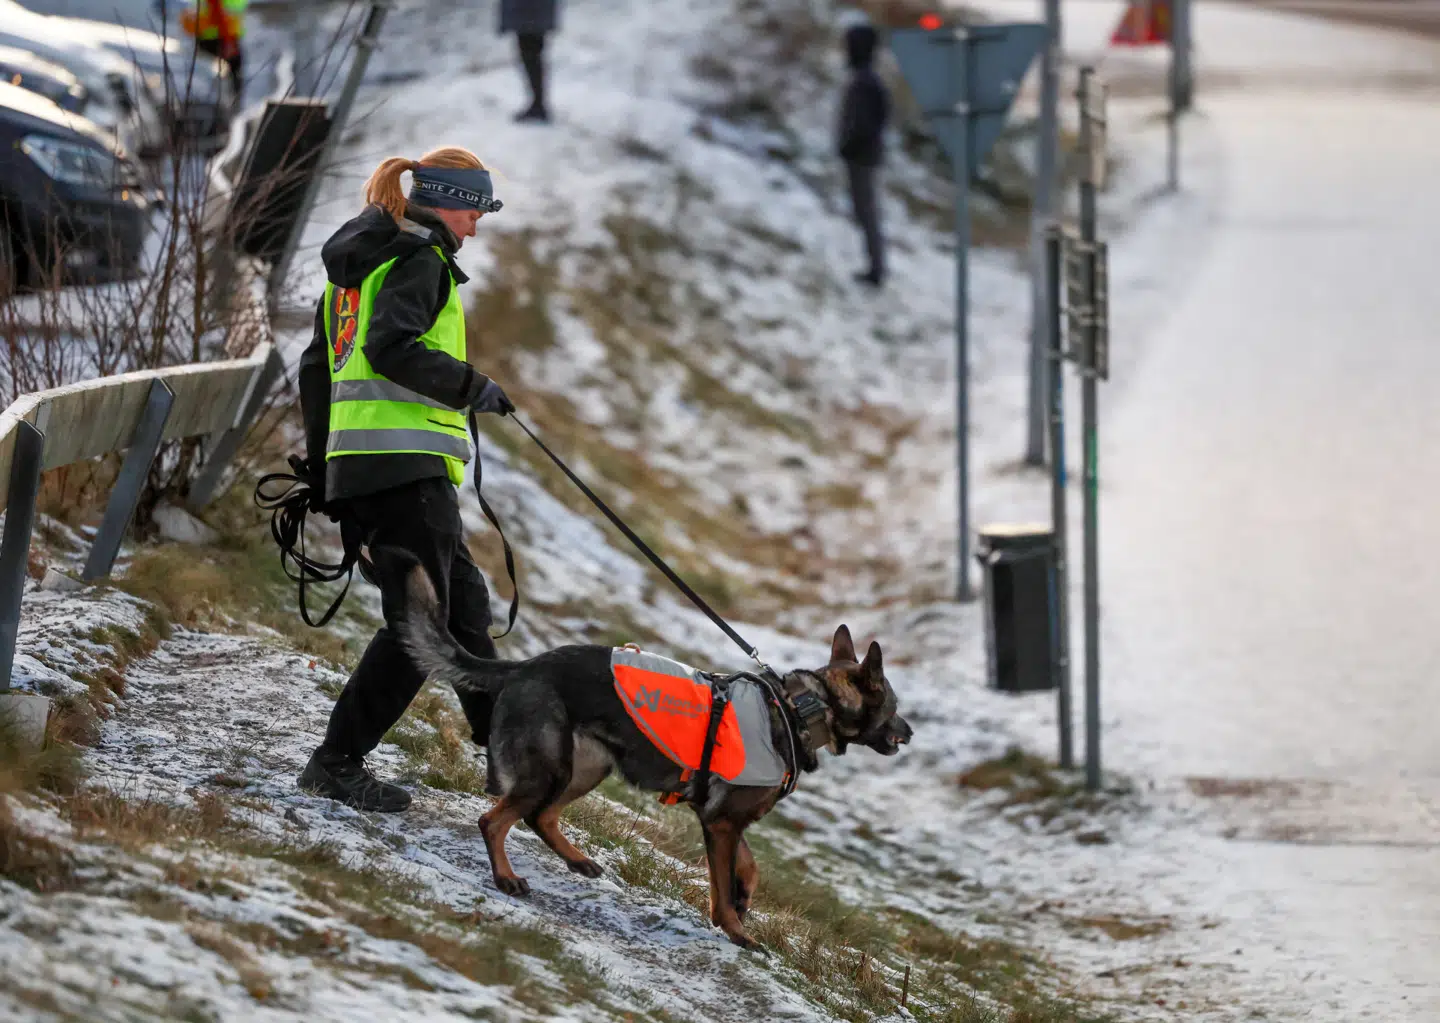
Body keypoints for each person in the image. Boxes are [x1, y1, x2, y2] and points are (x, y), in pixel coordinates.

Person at [295, 146, 514, 812]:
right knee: (420, 628)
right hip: (405, 469)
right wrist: (470, 385)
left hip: (376, 469)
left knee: (467, 608)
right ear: (450, 203)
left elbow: (315, 371)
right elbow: (392, 348)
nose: (476, 227)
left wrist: (326, 471)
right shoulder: (420, 260)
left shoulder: (353, 271)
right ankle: (336, 761)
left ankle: (509, 756)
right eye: (475, 212)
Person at [836, 22, 890, 288]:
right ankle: (874, 266)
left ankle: (876, 270)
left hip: (861, 157)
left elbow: (864, 124)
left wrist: (848, 145)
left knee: (866, 213)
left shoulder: (864, 83)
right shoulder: (867, 80)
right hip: (862, 155)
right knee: (864, 212)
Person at [499, 0, 559, 123]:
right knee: (533, 55)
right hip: (533, 14)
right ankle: (538, 103)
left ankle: (538, 104)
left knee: (531, 56)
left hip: (529, 14)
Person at [182, 0, 248, 102]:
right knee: (225, 77)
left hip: (218, 37)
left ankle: (230, 103)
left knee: (225, 77)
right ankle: (229, 105)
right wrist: (228, 42)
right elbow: (217, 13)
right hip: (218, 39)